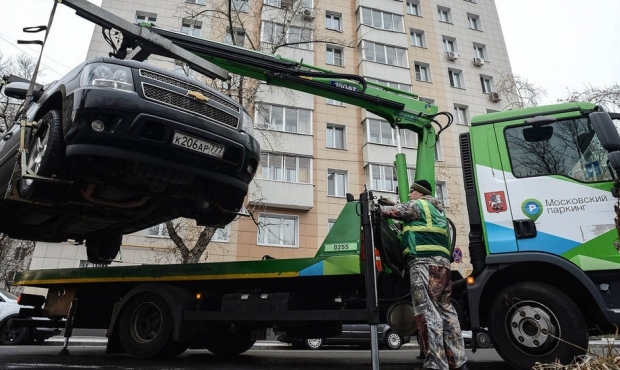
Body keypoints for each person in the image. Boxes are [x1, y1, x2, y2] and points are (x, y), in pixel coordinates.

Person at [378, 179, 467, 370]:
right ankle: (458, 362)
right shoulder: (439, 212)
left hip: (422, 263)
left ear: (420, 193)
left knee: (427, 312)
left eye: (412, 192)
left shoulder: (418, 205)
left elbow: (390, 213)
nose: (409, 195)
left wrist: (378, 207)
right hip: (442, 266)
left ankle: (436, 364)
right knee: (447, 312)